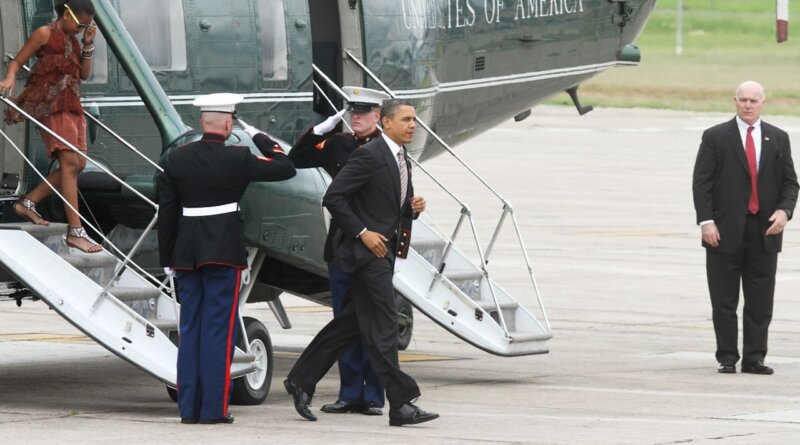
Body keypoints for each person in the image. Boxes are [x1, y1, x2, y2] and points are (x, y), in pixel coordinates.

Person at [284, 99, 439, 427]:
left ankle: (301, 379)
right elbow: (334, 197)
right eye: (406, 119)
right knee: (384, 326)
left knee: (352, 324)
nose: (413, 125)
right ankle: (401, 403)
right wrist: (363, 233)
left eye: (414, 119)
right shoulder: (369, 155)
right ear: (385, 122)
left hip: (383, 253)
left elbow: (382, 204)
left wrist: (411, 208)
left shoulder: (399, 156)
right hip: (364, 254)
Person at [157, 93, 296, 424]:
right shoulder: (238, 157)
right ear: (229, 123)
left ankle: (188, 409)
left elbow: (168, 212)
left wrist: (168, 257)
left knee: (190, 331)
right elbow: (286, 167)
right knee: (218, 332)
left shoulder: (178, 158)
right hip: (223, 253)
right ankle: (213, 410)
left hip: (185, 255)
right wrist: (262, 137)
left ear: (202, 122)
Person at [289, 86, 390, 416]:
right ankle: (349, 393)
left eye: (363, 113)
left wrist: (408, 227)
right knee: (343, 322)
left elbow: (398, 198)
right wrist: (321, 128)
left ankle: (374, 395)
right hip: (343, 244)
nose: (356, 118)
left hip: (376, 247)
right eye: (352, 113)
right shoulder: (339, 144)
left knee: (374, 324)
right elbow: (296, 159)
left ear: (378, 115)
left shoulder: (388, 151)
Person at [692, 81, 798, 375]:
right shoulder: (715, 137)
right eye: (742, 100)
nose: (747, 105)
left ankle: (755, 358)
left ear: (764, 103)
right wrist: (706, 221)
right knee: (724, 300)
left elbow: (790, 182)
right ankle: (727, 357)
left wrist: (784, 211)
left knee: (760, 300)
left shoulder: (777, 138)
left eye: (753, 100)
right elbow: (701, 183)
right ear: (734, 101)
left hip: (764, 232)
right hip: (723, 232)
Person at [0, 0, 100, 252]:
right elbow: (16, 61)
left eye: (87, 26)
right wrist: (10, 77)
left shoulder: (75, 41)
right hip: (50, 103)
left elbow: (85, 74)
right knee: (68, 163)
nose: (81, 30)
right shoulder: (45, 33)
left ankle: (29, 202)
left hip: (72, 104)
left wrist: (88, 43)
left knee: (79, 164)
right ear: (67, 14)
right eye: (80, 25)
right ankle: (75, 232)